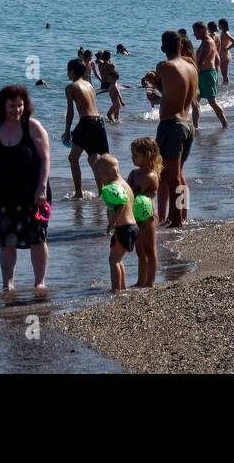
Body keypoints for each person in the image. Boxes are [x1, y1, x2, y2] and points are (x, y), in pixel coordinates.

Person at [0, 85, 51, 291]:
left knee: (37, 237)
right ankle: (8, 284)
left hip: (34, 192)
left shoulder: (32, 126)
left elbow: (45, 159)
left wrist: (42, 187)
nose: (16, 110)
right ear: (2, 106)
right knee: (7, 239)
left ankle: (39, 282)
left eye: (20, 105)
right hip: (6, 193)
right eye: (12, 106)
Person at [154, 31, 198, 228]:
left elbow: (165, 91)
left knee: (171, 177)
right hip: (187, 124)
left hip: (171, 125)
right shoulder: (192, 67)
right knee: (179, 174)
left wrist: (153, 81)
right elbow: (175, 92)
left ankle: (176, 220)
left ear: (163, 48)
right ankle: (183, 214)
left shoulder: (164, 66)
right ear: (181, 46)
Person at [64, 58, 109, 199]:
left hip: (87, 122)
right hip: (99, 122)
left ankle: (78, 193)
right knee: (93, 158)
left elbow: (70, 112)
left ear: (71, 72)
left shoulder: (71, 87)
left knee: (73, 158)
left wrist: (67, 131)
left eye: (67, 71)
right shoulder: (89, 85)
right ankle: (102, 192)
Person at [95, 154, 136, 292]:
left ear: (106, 174)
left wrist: (112, 222)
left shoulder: (114, 187)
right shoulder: (124, 184)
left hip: (123, 228)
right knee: (118, 259)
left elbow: (122, 203)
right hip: (131, 227)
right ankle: (122, 287)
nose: (101, 181)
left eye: (100, 177)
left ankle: (116, 289)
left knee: (113, 261)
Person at [127, 137, 161, 288]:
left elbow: (133, 193)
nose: (132, 158)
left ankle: (150, 282)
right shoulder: (134, 173)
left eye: (136, 155)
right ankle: (140, 281)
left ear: (147, 155)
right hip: (135, 216)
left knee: (150, 250)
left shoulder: (151, 176)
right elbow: (126, 190)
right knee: (140, 251)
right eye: (132, 155)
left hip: (148, 217)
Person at [193, 21, 229, 129]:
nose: (194, 34)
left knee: (212, 102)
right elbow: (217, 58)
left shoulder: (208, 42)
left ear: (202, 30)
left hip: (206, 75)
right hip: (204, 74)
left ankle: (225, 125)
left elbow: (201, 62)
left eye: (195, 31)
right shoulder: (206, 41)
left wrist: (190, 74)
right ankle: (195, 127)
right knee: (195, 102)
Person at [97, 50, 123, 122]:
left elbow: (98, 60)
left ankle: (114, 118)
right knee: (115, 98)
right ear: (110, 57)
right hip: (110, 83)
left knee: (114, 100)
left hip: (103, 84)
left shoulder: (100, 64)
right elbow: (114, 75)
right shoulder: (112, 65)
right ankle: (116, 118)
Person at [218, 18, 234, 85]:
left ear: (222, 25)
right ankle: (225, 88)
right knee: (224, 74)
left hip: (225, 55)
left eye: (219, 24)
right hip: (223, 54)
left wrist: (227, 48)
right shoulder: (223, 32)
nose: (218, 26)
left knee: (225, 75)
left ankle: (226, 89)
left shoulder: (226, 33)